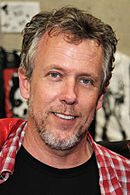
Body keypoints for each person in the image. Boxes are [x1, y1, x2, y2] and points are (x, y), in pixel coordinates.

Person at [0, 6, 129, 195]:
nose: (70, 96)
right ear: (26, 83)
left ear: (100, 96)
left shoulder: (125, 180)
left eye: (86, 81)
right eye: (55, 75)